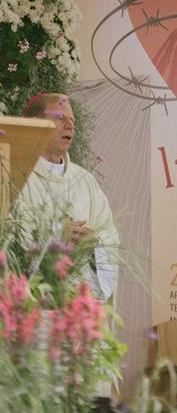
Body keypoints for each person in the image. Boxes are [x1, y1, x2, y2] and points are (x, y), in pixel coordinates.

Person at [17, 93, 119, 302]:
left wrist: (94, 245)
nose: (70, 126)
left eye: (72, 120)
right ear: (36, 124)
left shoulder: (85, 181)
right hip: (35, 309)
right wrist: (55, 237)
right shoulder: (14, 177)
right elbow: (10, 244)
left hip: (80, 308)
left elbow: (109, 236)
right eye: (60, 118)